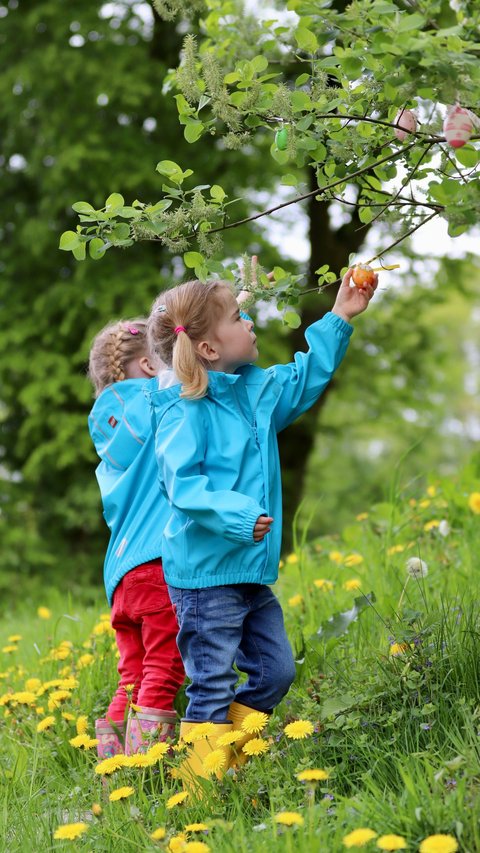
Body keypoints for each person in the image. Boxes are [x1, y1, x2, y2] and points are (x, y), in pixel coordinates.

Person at [145, 267, 376, 787]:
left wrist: (340, 316)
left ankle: (226, 763)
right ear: (207, 348)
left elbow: (305, 376)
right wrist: (241, 517)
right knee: (211, 684)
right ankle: (198, 792)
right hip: (205, 579)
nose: (251, 322)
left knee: (276, 672)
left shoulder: (257, 391)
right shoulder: (185, 412)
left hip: (247, 572)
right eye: (237, 317)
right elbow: (184, 487)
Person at [87, 319, 185, 759]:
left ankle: (111, 757)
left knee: (134, 673)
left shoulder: (104, 426)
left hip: (121, 574)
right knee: (165, 665)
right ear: (147, 364)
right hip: (157, 563)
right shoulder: (156, 400)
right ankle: (146, 766)